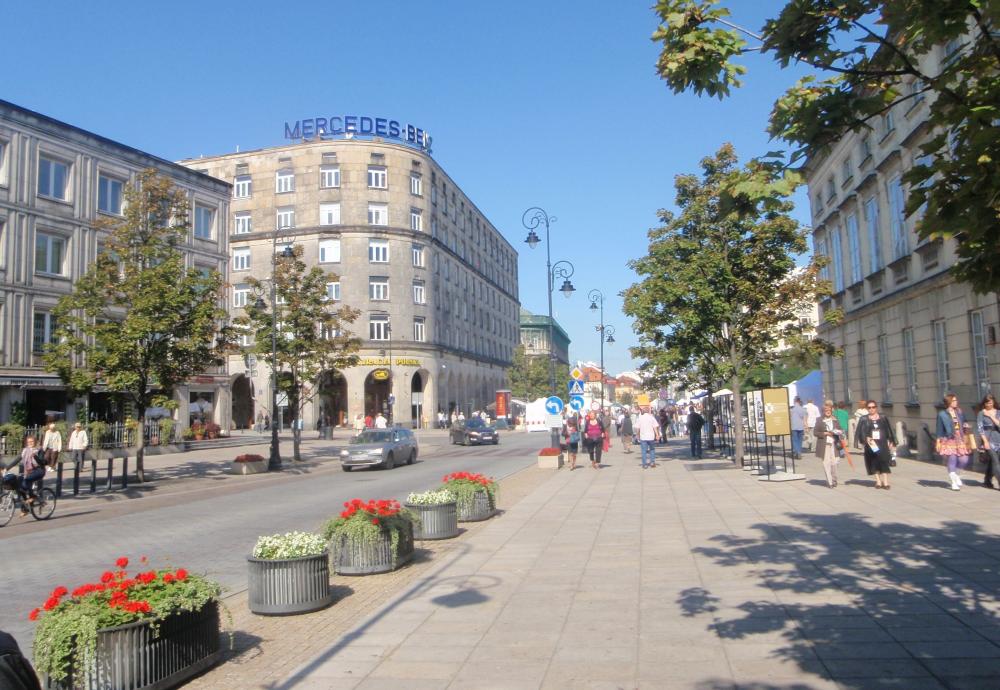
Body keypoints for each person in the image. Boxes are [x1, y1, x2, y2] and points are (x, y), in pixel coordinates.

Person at [854, 400, 897, 489]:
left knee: (884, 460)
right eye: (869, 407)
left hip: (882, 442)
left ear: (876, 408)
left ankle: (885, 482)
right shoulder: (864, 418)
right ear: (867, 409)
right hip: (871, 443)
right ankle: (878, 481)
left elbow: (889, 430)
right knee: (874, 461)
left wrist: (891, 441)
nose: (871, 409)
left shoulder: (883, 417)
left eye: (873, 407)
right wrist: (865, 438)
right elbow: (860, 431)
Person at [937, 393, 973, 491]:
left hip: (960, 439)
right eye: (953, 400)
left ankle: (956, 474)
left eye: (956, 400)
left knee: (964, 459)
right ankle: (953, 483)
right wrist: (938, 440)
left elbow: (964, 422)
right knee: (952, 459)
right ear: (949, 402)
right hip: (949, 439)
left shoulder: (959, 412)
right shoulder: (942, 414)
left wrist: (966, 426)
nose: (956, 402)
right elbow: (939, 428)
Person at [814, 400, 844, 488]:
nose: (828, 411)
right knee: (826, 463)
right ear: (823, 411)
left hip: (834, 443)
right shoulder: (819, 420)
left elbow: (840, 430)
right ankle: (830, 482)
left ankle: (834, 479)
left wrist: (837, 432)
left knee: (835, 462)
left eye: (829, 410)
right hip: (824, 444)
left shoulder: (835, 419)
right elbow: (815, 432)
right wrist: (825, 433)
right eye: (826, 410)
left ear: (831, 410)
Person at [977, 394, 1000, 490]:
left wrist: (991, 416)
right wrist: (985, 441)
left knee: (992, 462)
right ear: (984, 403)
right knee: (996, 462)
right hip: (988, 440)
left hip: (998, 438)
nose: (989, 404)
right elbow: (980, 428)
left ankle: (987, 480)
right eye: (987, 403)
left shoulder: (998, 412)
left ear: (993, 402)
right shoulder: (981, 413)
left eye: (990, 402)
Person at [17, 437, 44, 515]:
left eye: (32, 441)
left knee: (27, 480)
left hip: (39, 470)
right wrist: (6, 468)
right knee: (20, 487)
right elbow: (17, 459)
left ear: (35, 442)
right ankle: (27, 508)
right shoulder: (25, 450)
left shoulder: (39, 450)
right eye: (28, 442)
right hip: (29, 471)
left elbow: (42, 462)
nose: (30, 443)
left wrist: (35, 456)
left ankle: (32, 498)